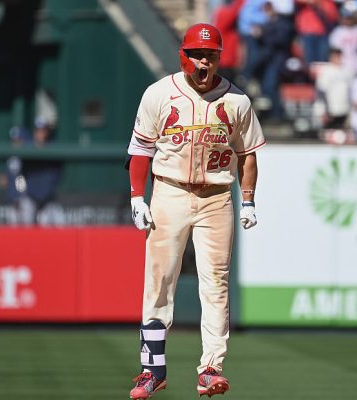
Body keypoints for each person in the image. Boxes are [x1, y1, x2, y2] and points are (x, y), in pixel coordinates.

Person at [126, 23, 266, 399]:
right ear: (183, 56)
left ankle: (210, 368)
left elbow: (247, 155)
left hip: (216, 196)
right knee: (159, 280)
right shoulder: (159, 93)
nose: (204, 61)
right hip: (169, 192)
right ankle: (152, 369)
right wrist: (138, 196)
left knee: (215, 284)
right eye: (196, 54)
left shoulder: (236, 101)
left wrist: (248, 198)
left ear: (220, 57)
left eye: (211, 55)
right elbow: (141, 149)